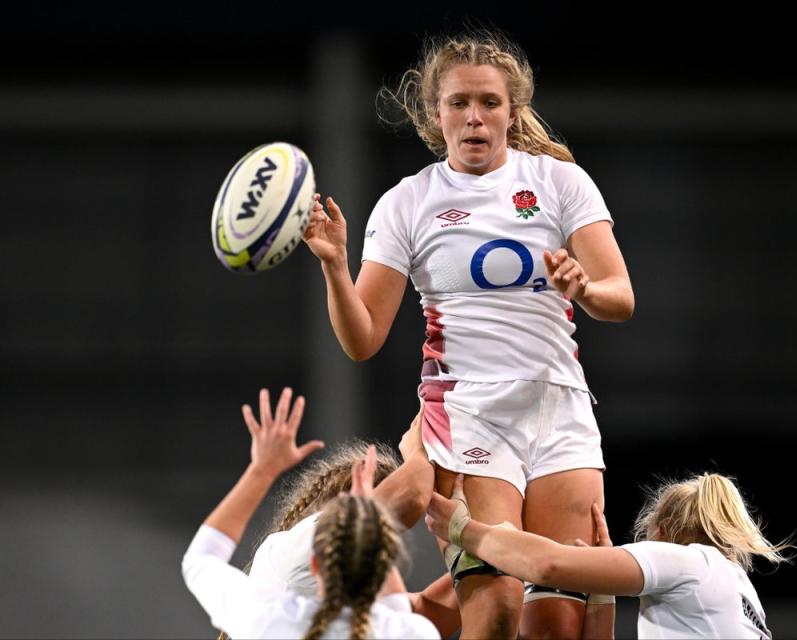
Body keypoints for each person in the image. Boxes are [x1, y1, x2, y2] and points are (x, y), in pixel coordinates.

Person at [302, 30, 633, 639]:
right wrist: (333, 265)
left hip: (560, 407)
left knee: (559, 621)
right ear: (436, 114)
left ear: (512, 111)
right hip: (470, 411)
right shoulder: (408, 203)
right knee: (499, 604)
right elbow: (363, 338)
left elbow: (621, 297)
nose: (474, 117)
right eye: (459, 103)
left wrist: (583, 289)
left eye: (488, 102)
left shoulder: (561, 183)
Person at [182, 387, 440, 639]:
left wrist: (262, 470)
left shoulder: (270, 618)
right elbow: (411, 497)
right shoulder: (407, 630)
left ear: (317, 563)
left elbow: (200, 559)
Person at [426, 471, 794, 639]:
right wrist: (602, 593)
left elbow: (548, 564)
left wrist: (463, 530)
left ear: (661, 535)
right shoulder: (741, 593)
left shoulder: (690, 562)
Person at [242, 406, 461, 637]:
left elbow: (425, 612)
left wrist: (479, 543)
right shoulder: (287, 551)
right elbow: (411, 497)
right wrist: (421, 449)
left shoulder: (350, 600)